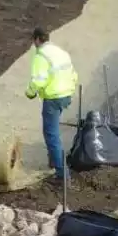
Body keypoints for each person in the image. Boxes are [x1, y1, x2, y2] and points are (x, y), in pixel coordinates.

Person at [25, 27, 78, 181]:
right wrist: (70, 91)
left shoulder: (40, 56)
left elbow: (39, 80)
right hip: (65, 95)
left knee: (51, 134)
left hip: (53, 98)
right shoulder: (61, 52)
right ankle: (53, 161)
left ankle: (62, 174)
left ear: (36, 39)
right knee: (53, 130)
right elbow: (73, 74)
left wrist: (30, 92)